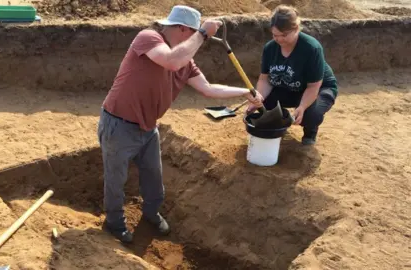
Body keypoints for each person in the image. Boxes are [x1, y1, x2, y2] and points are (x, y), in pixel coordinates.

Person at [97, 5, 263, 243]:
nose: (198, 42)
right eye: (194, 34)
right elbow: (171, 61)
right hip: (119, 124)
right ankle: (114, 223)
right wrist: (203, 33)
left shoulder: (185, 61)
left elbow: (207, 89)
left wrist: (247, 92)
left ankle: (151, 214)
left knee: (154, 176)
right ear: (185, 30)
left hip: (148, 128)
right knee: (116, 179)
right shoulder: (148, 38)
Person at [247, 5, 338, 145]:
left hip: (319, 89)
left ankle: (310, 131)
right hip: (288, 86)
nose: (279, 39)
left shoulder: (311, 48)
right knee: (263, 102)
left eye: (284, 35)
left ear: (296, 29)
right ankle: (280, 119)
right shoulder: (270, 48)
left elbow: (314, 86)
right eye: (275, 35)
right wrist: (258, 97)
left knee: (309, 115)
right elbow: (265, 80)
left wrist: (302, 107)